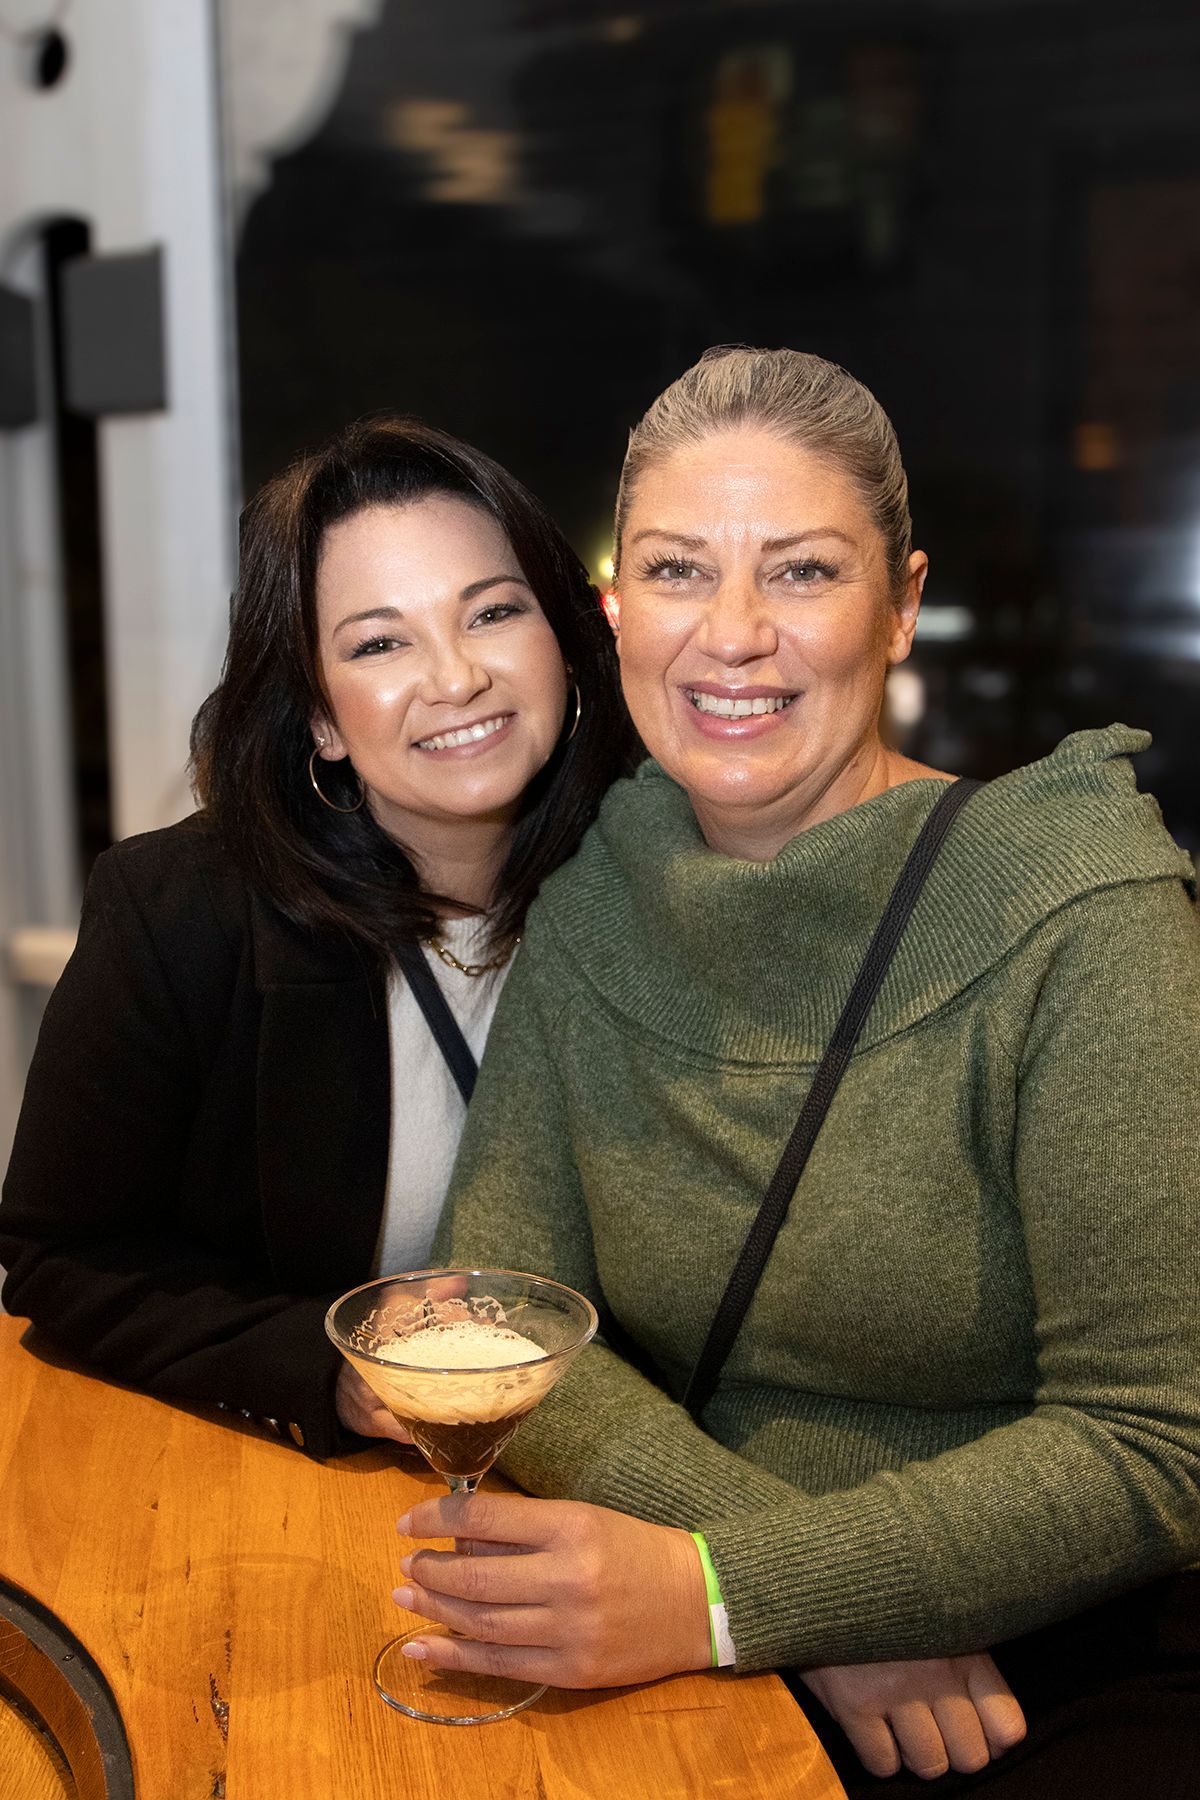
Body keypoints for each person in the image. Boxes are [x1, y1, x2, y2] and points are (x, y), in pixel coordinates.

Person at [389, 349, 1200, 1795]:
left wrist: (729, 1595)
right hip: (690, 1627)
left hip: (1052, 1671)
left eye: (807, 573)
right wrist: (785, 1605)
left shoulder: (1081, 906)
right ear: (615, 609)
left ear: (899, 607)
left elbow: (1155, 1444)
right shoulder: (596, 891)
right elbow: (501, 1313)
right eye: (682, 572)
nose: (736, 636)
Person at [0, 415, 635, 1460]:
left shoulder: (655, 883)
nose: (456, 678)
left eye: (493, 613)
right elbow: (62, 1259)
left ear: (565, 644)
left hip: (610, 1463)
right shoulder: (181, 915)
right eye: (380, 642)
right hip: (301, 1483)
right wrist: (324, 1373)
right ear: (323, 719)